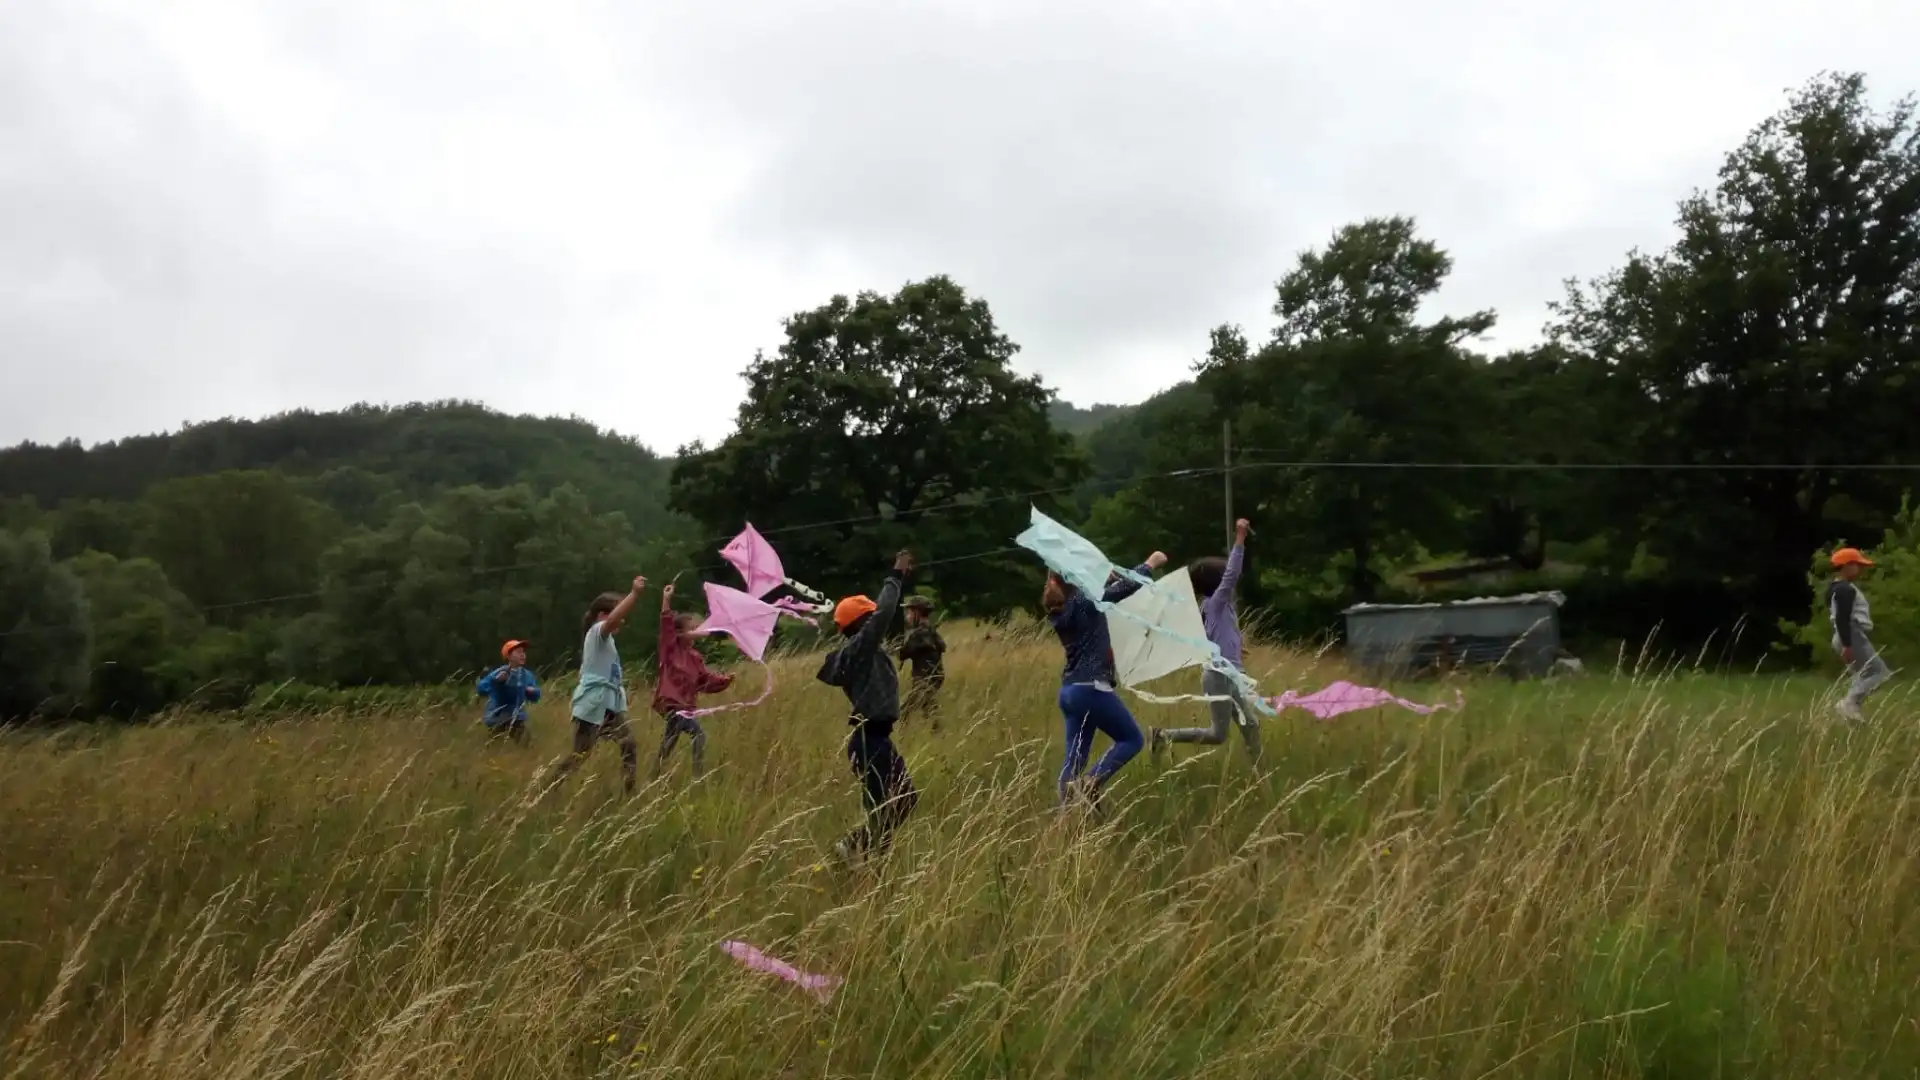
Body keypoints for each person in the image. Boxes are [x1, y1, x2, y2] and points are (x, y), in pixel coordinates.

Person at [818, 551, 918, 863]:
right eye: (870, 617)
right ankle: (856, 858)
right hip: (868, 741)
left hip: (876, 740)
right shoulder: (859, 649)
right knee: (882, 808)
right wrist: (896, 575)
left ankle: (857, 853)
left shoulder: (859, 652)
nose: (878, 622)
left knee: (905, 800)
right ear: (861, 624)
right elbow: (885, 613)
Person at [1045, 551, 1164, 811]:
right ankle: (1090, 782)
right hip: (1091, 689)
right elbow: (1124, 589)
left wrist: (1105, 581)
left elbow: (1100, 595)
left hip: (1070, 692)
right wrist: (1149, 563)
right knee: (1132, 740)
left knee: (1073, 760)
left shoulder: (1062, 608)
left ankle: (1066, 820)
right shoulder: (1085, 599)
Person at [1151, 518, 1261, 765]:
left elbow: (1212, 635)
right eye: (1224, 580)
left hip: (1229, 674)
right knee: (1217, 735)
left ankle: (1261, 773)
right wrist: (1240, 538)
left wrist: (1235, 645)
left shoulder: (1216, 608)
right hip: (1219, 676)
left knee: (1251, 724)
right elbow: (1232, 574)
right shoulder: (1215, 603)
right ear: (1216, 584)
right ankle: (1163, 735)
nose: (1231, 584)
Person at [548, 576, 646, 794]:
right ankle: (550, 789)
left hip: (607, 706)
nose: (623, 620)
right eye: (618, 612)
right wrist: (634, 595)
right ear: (602, 615)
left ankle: (629, 791)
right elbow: (613, 621)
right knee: (580, 754)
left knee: (628, 744)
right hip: (593, 705)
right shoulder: (597, 632)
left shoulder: (607, 641)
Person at [651, 582, 735, 779]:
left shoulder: (695, 656)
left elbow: (704, 681)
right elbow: (666, 626)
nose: (698, 630)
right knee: (698, 735)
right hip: (672, 704)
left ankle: (654, 775)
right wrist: (666, 600)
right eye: (693, 628)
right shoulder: (670, 649)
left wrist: (724, 681)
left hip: (686, 706)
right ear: (680, 632)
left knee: (669, 742)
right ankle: (698, 777)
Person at [1829, 547, 1890, 721]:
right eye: (1858, 565)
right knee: (1880, 673)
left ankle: (1850, 712)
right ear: (1847, 566)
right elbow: (1843, 617)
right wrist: (1847, 644)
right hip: (1851, 634)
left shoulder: (1834, 588)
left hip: (1841, 635)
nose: (1861, 570)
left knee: (1862, 674)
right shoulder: (1846, 590)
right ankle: (1849, 703)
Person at [895, 596, 947, 730]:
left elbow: (902, 654)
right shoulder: (932, 630)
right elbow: (942, 647)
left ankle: (904, 737)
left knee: (903, 711)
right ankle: (938, 734)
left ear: (917, 613)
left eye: (909, 612)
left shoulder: (917, 634)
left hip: (924, 679)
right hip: (936, 676)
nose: (907, 616)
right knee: (928, 708)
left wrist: (899, 645)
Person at [476, 639, 541, 744]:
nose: (523, 655)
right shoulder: (500, 672)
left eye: (523, 652)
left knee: (524, 744)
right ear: (509, 656)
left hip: (517, 716)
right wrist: (496, 681)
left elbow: (535, 697)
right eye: (519, 652)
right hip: (497, 716)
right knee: (495, 747)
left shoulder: (527, 675)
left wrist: (533, 691)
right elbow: (481, 688)